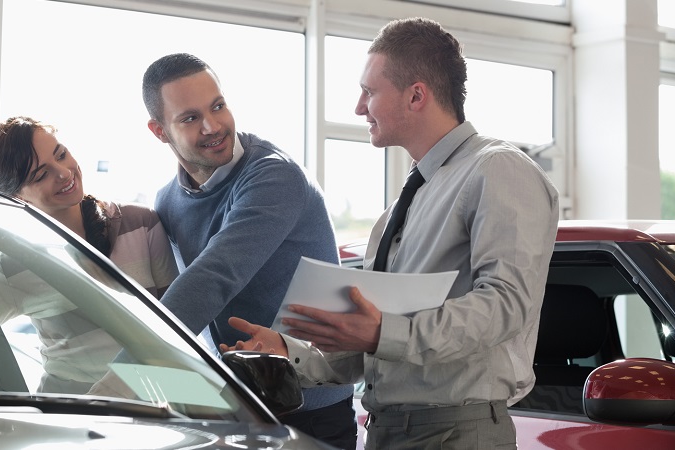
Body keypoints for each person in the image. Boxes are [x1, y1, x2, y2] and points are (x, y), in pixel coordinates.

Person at [220, 17, 560, 450]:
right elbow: (375, 348)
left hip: (456, 433)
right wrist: (290, 353)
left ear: (416, 95)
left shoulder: (498, 169)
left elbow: (506, 304)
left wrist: (383, 333)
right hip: (387, 430)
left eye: (369, 91)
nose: (359, 108)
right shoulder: (400, 209)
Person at [142, 53, 357, 449]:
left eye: (218, 106)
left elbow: (215, 275)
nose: (213, 126)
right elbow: (177, 290)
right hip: (241, 406)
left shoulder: (274, 176)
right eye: (189, 118)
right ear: (160, 131)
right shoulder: (168, 201)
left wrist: (126, 371)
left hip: (312, 408)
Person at [0, 116, 179, 393]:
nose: (63, 173)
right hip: (70, 418)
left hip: (158, 408)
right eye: (41, 174)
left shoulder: (141, 223)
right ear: (18, 196)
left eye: (61, 154)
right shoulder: (15, 269)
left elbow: (177, 332)